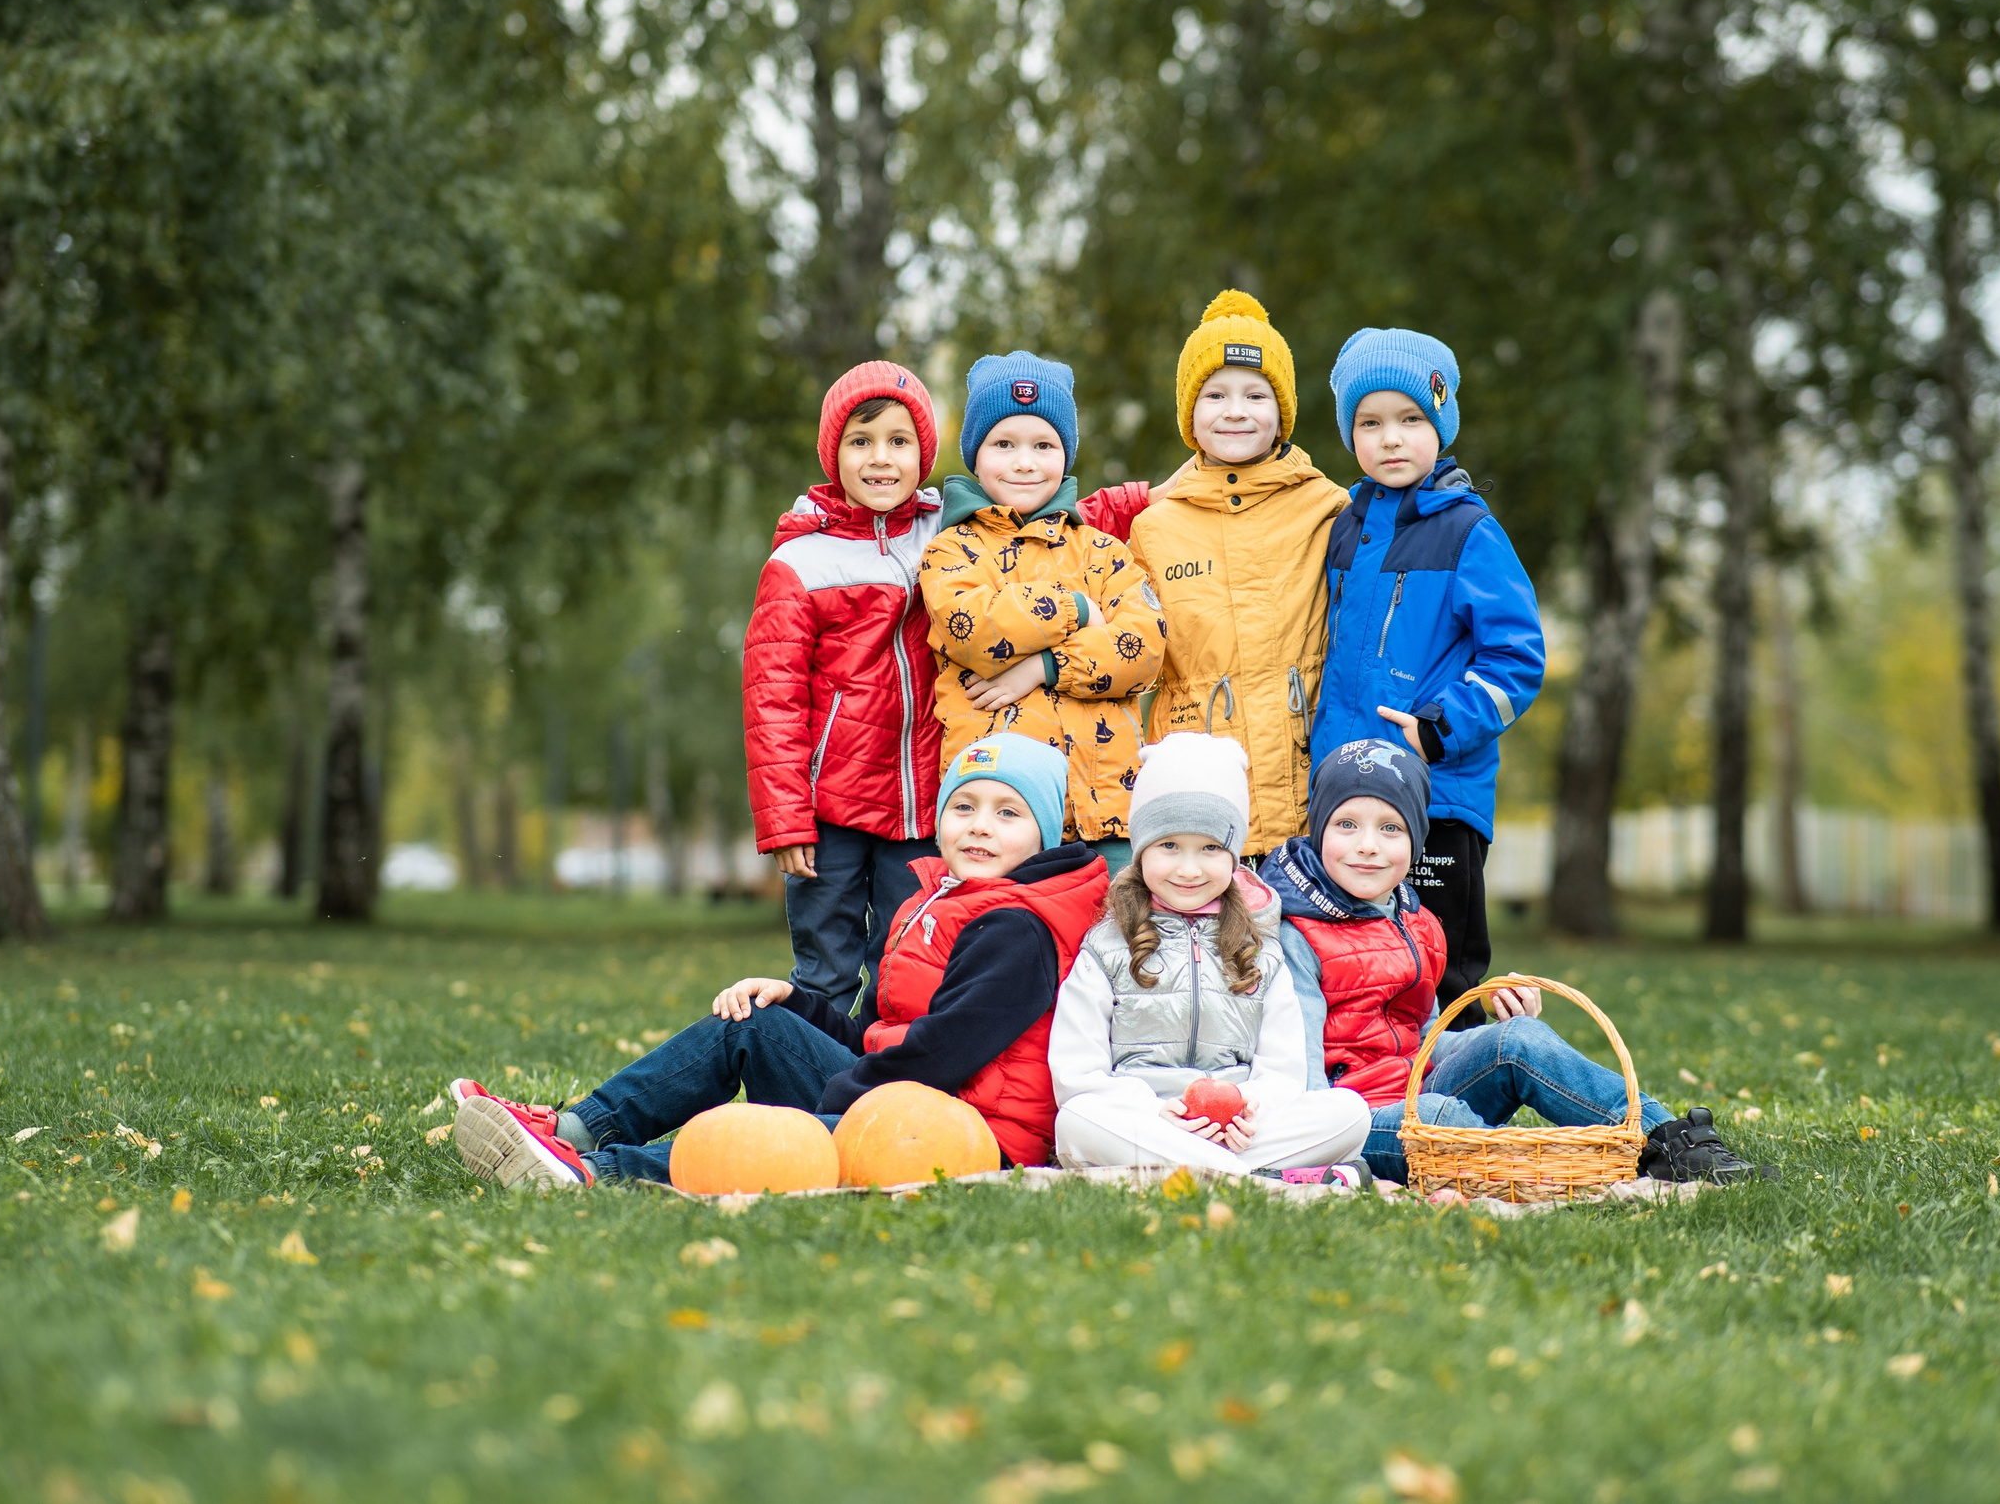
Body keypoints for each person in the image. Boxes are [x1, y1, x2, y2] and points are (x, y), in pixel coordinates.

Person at [452, 735, 1107, 1188]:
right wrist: (800, 1006)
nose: (979, 826)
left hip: (962, 1132)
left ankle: (597, 1171)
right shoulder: (938, 899)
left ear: (1045, 834)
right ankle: (575, 1128)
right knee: (753, 1020)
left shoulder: (1017, 928)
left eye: (1007, 813)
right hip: (899, 1096)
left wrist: (843, 1093)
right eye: (963, 806)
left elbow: (942, 1054)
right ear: (939, 820)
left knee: (778, 1141)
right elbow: (877, 1032)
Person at [743, 360, 1161, 1017]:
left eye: (899, 442)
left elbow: (1069, 511)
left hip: (923, 796)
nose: (881, 459)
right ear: (833, 453)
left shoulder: (937, 524)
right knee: (825, 966)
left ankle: (883, 1092)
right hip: (835, 803)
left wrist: (1162, 493)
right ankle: (808, 1101)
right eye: (860, 441)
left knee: (906, 965)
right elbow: (772, 700)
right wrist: (784, 817)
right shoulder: (810, 558)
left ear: (926, 454)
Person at [1263, 740, 1766, 1187]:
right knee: (1442, 1115)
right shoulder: (1297, 933)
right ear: (1318, 830)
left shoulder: (1418, 924)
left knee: (1518, 1040)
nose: (1368, 844)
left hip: (1412, 1087)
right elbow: (1299, 1081)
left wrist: (1505, 1031)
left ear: (1416, 841)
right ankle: (1533, 1173)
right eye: (1346, 824)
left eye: (1390, 827)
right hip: (1347, 1121)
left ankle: (1663, 1140)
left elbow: (1425, 1040)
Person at [1309, 328, 1548, 1016]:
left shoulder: (1469, 530)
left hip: (1436, 795)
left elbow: (1517, 656)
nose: (1391, 439)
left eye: (1411, 419)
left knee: (1440, 970)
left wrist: (1437, 729)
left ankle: (1465, 1106)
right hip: (1347, 798)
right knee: (1355, 965)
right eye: (1371, 422)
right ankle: (1384, 1101)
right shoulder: (1346, 530)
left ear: (1440, 423)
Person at [1049, 731, 1371, 1176]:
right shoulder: (1107, 946)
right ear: (1140, 850)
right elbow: (1076, 1072)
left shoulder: (1261, 951)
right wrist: (1155, 1112)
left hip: (1239, 1127)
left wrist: (1249, 1111)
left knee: (1349, 1112)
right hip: (1145, 1120)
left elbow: (1284, 1068)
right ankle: (1248, 1179)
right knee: (1079, 1121)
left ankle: (1206, 1169)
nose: (1188, 868)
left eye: (1210, 848)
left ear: (1234, 856)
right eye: (1168, 846)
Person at [1123, 291, 1351, 861]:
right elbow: (1131, 655)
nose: (1235, 410)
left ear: (1283, 415)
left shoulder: (1327, 506)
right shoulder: (1155, 528)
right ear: (1188, 414)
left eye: (1256, 394)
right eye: (1215, 395)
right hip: (1197, 782)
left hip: (1307, 777)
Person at [920, 351, 1165, 868]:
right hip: (1001, 817)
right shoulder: (951, 550)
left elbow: (1143, 649)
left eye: (1043, 445)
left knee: (1114, 945)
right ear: (975, 454)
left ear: (1066, 454)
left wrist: (1043, 666)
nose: (1024, 462)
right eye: (1003, 444)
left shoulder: (1103, 551)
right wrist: (1076, 608)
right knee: (1008, 943)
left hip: (1104, 810)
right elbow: (975, 628)